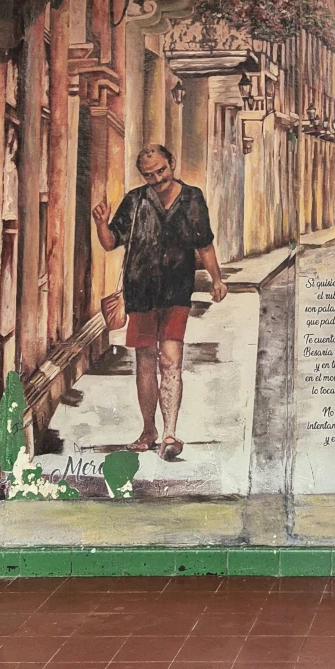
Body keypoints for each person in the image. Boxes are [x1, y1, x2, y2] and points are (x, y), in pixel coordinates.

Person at [94, 143, 226, 459]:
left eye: (161, 171)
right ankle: (148, 430)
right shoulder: (135, 201)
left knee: (171, 360)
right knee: (144, 362)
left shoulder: (192, 198)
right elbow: (111, 242)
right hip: (140, 293)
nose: (157, 179)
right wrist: (101, 222)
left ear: (172, 163)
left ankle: (169, 434)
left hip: (177, 293)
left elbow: (205, 245)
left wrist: (217, 279)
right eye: (149, 175)